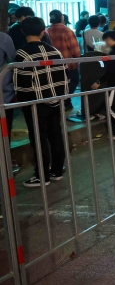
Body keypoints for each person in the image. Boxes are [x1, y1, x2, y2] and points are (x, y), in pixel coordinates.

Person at [13, 17, 69, 187]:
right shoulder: (54, 51)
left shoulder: (22, 54)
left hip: (35, 103)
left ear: (23, 32)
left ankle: (42, 175)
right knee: (55, 134)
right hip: (55, 100)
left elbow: (20, 83)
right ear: (42, 31)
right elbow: (63, 74)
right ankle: (57, 171)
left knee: (38, 138)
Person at [46, 10, 81, 109]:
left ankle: (62, 102)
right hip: (68, 63)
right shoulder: (67, 30)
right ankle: (65, 100)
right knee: (73, 81)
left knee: (57, 84)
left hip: (52, 63)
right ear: (62, 17)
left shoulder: (47, 31)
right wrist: (78, 57)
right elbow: (74, 48)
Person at [0, 29, 19, 173]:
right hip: (4, 95)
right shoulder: (3, 38)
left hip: (4, 94)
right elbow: (12, 63)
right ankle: (6, 165)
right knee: (4, 132)